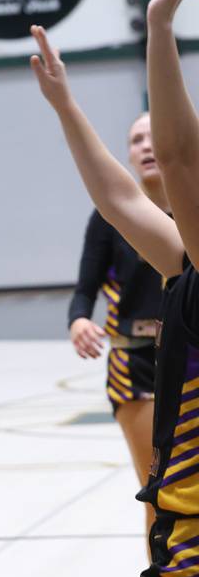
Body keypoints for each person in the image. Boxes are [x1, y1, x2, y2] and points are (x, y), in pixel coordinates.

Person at [28, 11, 198, 577]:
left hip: (192, 561)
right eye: (139, 138)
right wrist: (65, 103)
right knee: (147, 480)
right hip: (134, 367)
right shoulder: (179, 259)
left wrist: (159, 30)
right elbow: (115, 199)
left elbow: (174, 161)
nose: (157, 151)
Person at [68, 112, 165, 540]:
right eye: (135, 139)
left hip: (191, 357)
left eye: (153, 136)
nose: (145, 145)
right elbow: (84, 289)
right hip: (135, 362)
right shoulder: (110, 215)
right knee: (159, 489)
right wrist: (79, 321)